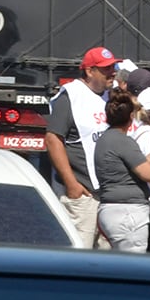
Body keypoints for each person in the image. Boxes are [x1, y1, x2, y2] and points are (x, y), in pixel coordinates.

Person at [46, 46, 116, 249]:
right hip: (82, 192)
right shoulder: (71, 96)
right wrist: (71, 184)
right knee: (79, 255)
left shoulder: (109, 97)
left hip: (107, 193)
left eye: (112, 67)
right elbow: (53, 139)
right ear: (89, 71)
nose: (112, 72)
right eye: (106, 69)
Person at [94, 88, 150, 252]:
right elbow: (148, 173)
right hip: (127, 213)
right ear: (130, 117)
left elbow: (137, 165)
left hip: (112, 209)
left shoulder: (106, 139)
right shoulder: (123, 141)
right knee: (133, 265)